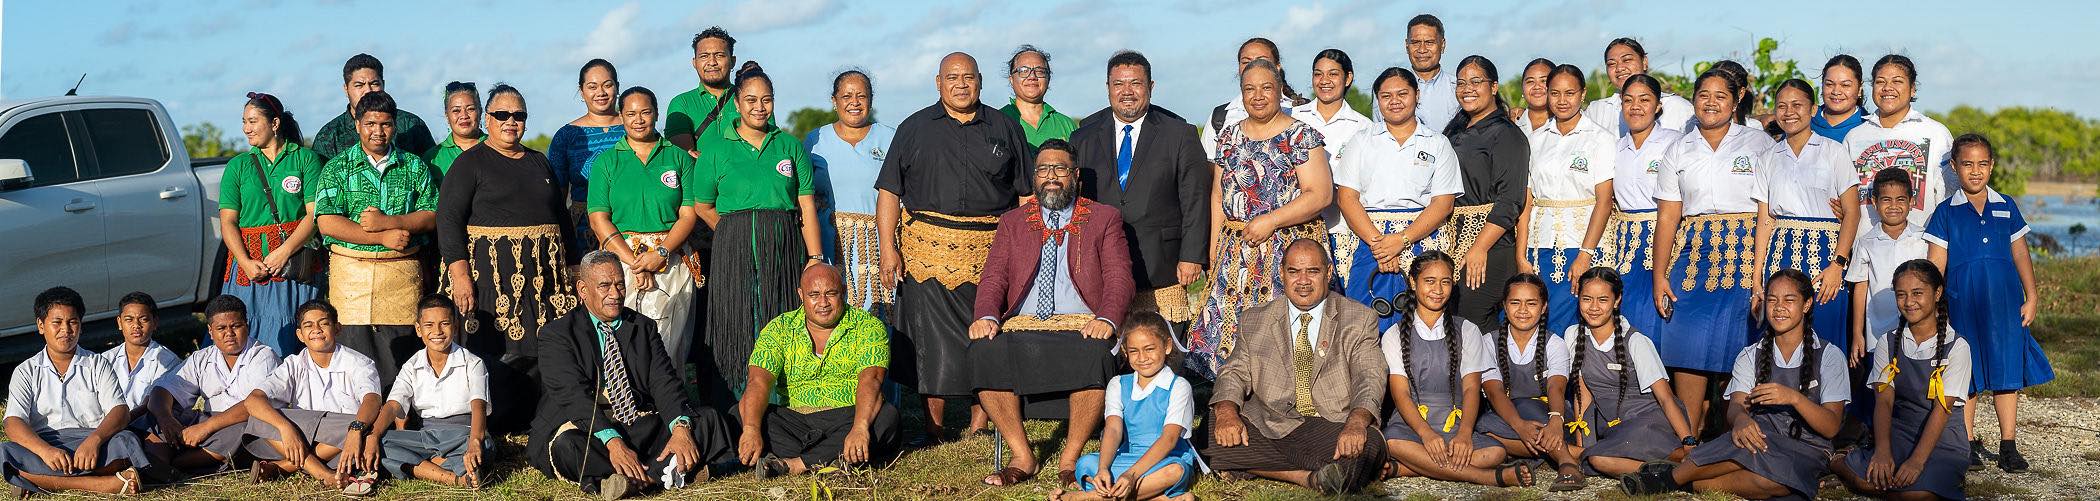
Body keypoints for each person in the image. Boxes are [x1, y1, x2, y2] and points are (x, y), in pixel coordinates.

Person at [873, 51, 1034, 439]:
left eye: (968, 77)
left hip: (989, 252)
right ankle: (935, 426)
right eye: (952, 77)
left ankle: (980, 423)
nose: (960, 84)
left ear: (980, 80)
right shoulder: (913, 128)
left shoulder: (1004, 127)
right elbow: (889, 193)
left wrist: (1028, 250)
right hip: (926, 252)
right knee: (931, 345)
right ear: (938, 83)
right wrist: (887, 249)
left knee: (985, 334)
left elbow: (1027, 197)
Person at [968, 140, 1134, 486]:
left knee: (1096, 354)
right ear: (1034, 178)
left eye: (1060, 169)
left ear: (1075, 176)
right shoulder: (1013, 221)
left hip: (1082, 326)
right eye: (1044, 169)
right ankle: (1022, 455)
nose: (1051, 177)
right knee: (983, 351)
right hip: (1023, 325)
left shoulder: (1103, 218)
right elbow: (994, 277)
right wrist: (986, 315)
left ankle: (1069, 458)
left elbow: (1120, 278)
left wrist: (1106, 319)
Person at [1623, 268, 1851, 498]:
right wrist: (1741, 420)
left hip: (1807, 448)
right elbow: (1736, 406)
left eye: (1789, 300)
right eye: (1772, 300)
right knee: (1756, 451)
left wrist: (1793, 398)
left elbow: (1831, 426)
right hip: (1759, 440)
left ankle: (1676, 480)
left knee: (1771, 480)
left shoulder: (1829, 355)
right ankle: (1674, 478)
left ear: (1807, 304)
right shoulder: (1751, 354)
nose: (1779, 307)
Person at [528, 251, 733, 500]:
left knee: (706, 419)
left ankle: (635, 481)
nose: (615, 294)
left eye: (619, 285)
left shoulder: (643, 327)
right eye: (604, 286)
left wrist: (679, 429)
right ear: (583, 289)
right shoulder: (557, 334)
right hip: (588, 427)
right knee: (568, 447)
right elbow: (573, 396)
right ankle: (664, 473)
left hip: (637, 422)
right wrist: (613, 443)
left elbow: (663, 381)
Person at [435, 84, 576, 432]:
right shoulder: (470, 164)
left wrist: (572, 266)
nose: (511, 122)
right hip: (490, 279)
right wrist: (459, 273)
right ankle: (494, 424)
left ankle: (537, 420)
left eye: (519, 115)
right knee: (499, 349)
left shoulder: (538, 161)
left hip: (543, 278)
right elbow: (448, 219)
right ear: (488, 119)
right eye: (502, 115)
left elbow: (561, 216)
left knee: (541, 345)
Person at [1204, 239, 1386, 494]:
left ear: (1328, 273)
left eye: (1312, 271)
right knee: (1214, 422)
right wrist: (1226, 413)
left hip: (1329, 423)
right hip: (1271, 420)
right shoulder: (1255, 319)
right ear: (1282, 273)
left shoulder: (1359, 318)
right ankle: (1308, 477)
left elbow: (1370, 375)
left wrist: (1356, 423)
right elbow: (1234, 372)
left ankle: (1243, 464)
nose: (1303, 281)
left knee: (1369, 445)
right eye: (1294, 271)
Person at [691, 62, 825, 408]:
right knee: (734, 322)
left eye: (766, 100)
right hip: (731, 246)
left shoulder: (790, 147)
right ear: (736, 103)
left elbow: (806, 206)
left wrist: (814, 258)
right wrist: (734, 233)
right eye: (751, 99)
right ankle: (734, 408)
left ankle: (783, 406)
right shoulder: (717, 150)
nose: (759, 107)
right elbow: (703, 206)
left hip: (783, 243)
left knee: (779, 315)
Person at [1188, 58, 1333, 377]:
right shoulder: (1228, 136)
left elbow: (1320, 194)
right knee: (1231, 337)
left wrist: (1272, 220)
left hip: (1288, 250)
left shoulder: (1302, 135)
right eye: (1249, 89)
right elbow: (1217, 195)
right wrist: (1212, 249)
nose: (1258, 95)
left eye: (1266, 88)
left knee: (1288, 335)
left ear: (1280, 89)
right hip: (1235, 251)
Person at [1652, 68, 1775, 434]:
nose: (1711, 102)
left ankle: (1735, 431)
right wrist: (1660, 276)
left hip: (1746, 251)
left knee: (1742, 337)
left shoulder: (1759, 145)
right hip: (1693, 251)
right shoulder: (1679, 148)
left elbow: (1771, 208)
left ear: (1737, 100)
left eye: (1721, 95)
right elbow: (1668, 215)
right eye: (1703, 94)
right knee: (1687, 335)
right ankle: (1689, 433)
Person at [1925, 134, 2051, 473]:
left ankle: (2008, 444)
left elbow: (2021, 253)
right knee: (1968, 374)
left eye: (1982, 164)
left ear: (1992, 166)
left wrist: (2032, 296)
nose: (1975, 171)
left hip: (2005, 305)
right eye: (1967, 164)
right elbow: (1936, 264)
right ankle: (1966, 445)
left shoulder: (2006, 205)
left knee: (2005, 372)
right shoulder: (1945, 212)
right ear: (1954, 167)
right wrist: (1935, 306)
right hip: (1962, 304)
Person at [1071, 50, 1211, 337]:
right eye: (1118, 84)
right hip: (1102, 262)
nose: (1126, 92)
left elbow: (1195, 198)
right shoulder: (1083, 135)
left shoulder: (1179, 133)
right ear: (1107, 87)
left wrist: (1192, 255)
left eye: (1135, 83)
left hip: (1163, 265)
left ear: (1151, 86)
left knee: (1163, 350)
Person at [313, 90, 440, 393]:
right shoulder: (337, 168)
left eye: (385, 124)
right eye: (370, 123)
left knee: (400, 355)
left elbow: (431, 214)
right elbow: (327, 220)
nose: (378, 132)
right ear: (357, 124)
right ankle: (359, 422)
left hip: (400, 275)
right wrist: (382, 236)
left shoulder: (413, 166)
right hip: (351, 277)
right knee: (354, 354)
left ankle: (399, 424)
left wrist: (392, 222)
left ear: (394, 126)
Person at [1378, 251, 1529, 487]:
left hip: (1455, 423)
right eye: (1429, 281)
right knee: (1391, 442)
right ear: (1412, 282)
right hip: (1412, 427)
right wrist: (1426, 433)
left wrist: (1465, 434)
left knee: (1495, 453)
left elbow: (1471, 389)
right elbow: (1401, 394)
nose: (1438, 290)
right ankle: (1489, 477)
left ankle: (1408, 467)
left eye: (1445, 282)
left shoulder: (1467, 330)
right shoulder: (1394, 334)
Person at [735, 265, 900, 477]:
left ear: (843, 291)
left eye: (831, 294)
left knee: (886, 417)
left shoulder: (868, 327)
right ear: (800, 295)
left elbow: (872, 379)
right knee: (743, 414)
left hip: (847, 417)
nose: (823, 303)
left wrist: (860, 427)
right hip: (794, 421)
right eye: (814, 295)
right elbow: (758, 381)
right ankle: (831, 458)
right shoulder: (779, 328)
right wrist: (750, 429)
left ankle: (794, 465)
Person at [1830, 259, 1971, 500]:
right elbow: (1883, 402)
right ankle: (1838, 462)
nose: (1909, 302)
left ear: (1937, 293)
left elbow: (1942, 410)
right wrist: (1883, 451)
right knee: (1869, 482)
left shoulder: (1957, 346)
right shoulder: (1888, 342)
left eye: (1918, 293)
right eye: (1901, 295)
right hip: (1900, 433)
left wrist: (1916, 461)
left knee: (1916, 494)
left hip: (1943, 440)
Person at [1333, 67, 1460, 333]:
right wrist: (1381, 245)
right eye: (1386, 95)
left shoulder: (1437, 143)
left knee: (1420, 319)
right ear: (1377, 100)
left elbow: (1443, 203)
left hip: (1420, 238)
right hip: (1368, 238)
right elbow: (1347, 199)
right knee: (1362, 319)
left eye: (1402, 93)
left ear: (1417, 95)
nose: (1394, 101)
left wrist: (1401, 240)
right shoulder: (1361, 141)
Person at [586, 86, 702, 372]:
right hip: (621, 265)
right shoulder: (607, 162)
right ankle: (629, 411)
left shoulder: (678, 158)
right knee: (623, 345)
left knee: (668, 345)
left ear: (656, 113)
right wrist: (636, 263)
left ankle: (670, 411)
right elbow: (598, 218)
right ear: (621, 116)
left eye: (646, 112)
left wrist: (660, 253)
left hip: (671, 261)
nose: (639, 120)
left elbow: (688, 215)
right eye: (631, 113)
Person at [1, 287, 148, 496]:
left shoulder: (98, 364)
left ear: (81, 326)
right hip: (45, 445)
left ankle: (35, 480)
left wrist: (94, 440)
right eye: (57, 322)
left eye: (72, 322)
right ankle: (105, 484)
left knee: (126, 441)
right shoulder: (26, 371)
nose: (66, 330)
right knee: (5, 452)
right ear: (41, 326)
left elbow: (120, 411)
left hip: (91, 445)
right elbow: (13, 421)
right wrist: (45, 451)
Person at [1754, 79, 1860, 352]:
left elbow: (1852, 212)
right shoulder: (1768, 156)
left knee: (1825, 337)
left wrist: (1838, 264)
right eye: (1782, 106)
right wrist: (1756, 278)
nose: (1789, 112)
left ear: (1813, 109)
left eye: (1797, 105)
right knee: (1780, 336)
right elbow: (1765, 220)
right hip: (1781, 253)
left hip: (1825, 255)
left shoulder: (1833, 152)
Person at [220, 91, 326, 356]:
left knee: (294, 334)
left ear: (275, 123)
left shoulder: (305, 159)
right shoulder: (238, 166)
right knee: (243, 334)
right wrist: (245, 262)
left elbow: (313, 215)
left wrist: (283, 252)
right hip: (249, 268)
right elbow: (228, 222)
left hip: (295, 264)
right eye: (244, 121)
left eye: (253, 121)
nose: (246, 128)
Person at [1563, 267, 1696, 476]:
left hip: (1650, 422)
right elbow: (1583, 396)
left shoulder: (1635, 341)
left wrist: (1688, 441)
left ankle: (1682, 459)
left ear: (1617, 301)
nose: (1594, 307)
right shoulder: (1573, 335)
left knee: (1600, 455)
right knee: (1595, 457)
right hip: (1616, 427)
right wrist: (1583, 444)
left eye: (1603, 300)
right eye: (1587, 299)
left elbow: (1666, 398)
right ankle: (1670, 473)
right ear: (1578, 299)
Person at [242, 300, 385, 495]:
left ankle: (284, 467)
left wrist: (355, 430)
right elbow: (253, 400)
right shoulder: (293, 363)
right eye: (308, 325)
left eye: (323, 323)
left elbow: (372, 400)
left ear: (337, 328)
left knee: (368, 424)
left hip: (343, 441)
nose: (316, 330)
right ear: (300, 335)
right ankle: (324, 474)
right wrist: (286, 428)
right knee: (259, 416)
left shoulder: (359, 362)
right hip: (301, 436)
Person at [1054, 312, 1200, 501]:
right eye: (1134, 351)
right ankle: (1156, 498)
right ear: (1125, 351)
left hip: (1165, 458)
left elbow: (1169, 439)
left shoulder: (1178, 386)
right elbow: (1113, 429)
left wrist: (1131, 475)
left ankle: (1094, 497)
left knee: (1175, 471)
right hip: (1128, 456)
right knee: (1085, 464)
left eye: (1149, 349)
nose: (1142, 357)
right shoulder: (1118, 384)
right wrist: (1103, 468)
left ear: (1167, 346)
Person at [1518, 64, 1617, 335]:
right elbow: (1527, 200)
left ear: (1583, 94)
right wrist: (1521, 252)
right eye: (1555, 93)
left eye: (1570, 93)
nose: (1562, 101)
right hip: (1540, 245)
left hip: (1583, 242)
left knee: (1578, 320)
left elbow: (1604, 200)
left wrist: (1585, 254)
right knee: (1539, 320)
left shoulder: (1600, 139)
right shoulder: (1535, 140)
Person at [1441, 55, 1530, 327]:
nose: (1468, 88)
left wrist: (1479, 247)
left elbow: (1511, 201)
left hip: (1490, 243)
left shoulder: (1507, 135)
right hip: (1453, 238)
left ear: (1493, 87)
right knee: (1456, 323)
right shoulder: (1454, 129)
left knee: (1472, 322)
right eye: (1461, 82)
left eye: (1476, 81)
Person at [143, 295, 278, 473]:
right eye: (221, 328)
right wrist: (166, 419)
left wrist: (205, 428)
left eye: (236, 326)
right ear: (210, 331)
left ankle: (175, 465)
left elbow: (252, 406)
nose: (229, 333)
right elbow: (163, 389)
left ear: (247, 325)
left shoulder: (263, 356)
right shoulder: (201, 357)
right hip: (206, 420)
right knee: (157, 414)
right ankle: (156, 463)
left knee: (243, 431)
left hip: (242, 423)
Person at [1475, 274, 1583, 491]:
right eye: (1515, 302)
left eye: (1531, 303)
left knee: (1525, 404)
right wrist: (1520, 426)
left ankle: (1566, 462)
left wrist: (1554, 421)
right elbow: (1495, 392)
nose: (1523, 309)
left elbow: (1557, 387)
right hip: (1509, 420)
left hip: (1550, 416)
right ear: (1504, 306)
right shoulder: (1488, 342)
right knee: (1481, 429)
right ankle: (1575, 454)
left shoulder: (1555, 343)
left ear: (1543, 307)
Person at [373, 295, 491, 489]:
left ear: (455, 326)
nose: (437, 331)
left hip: (462, 434)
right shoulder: (411, 366)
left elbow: (478, 406)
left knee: (484, 447)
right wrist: (373, 435)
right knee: (383, 442)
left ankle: (425, 464)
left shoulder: (473, 363)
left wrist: (475, 442)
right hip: (425, 436)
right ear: (419, 330)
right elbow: (394, 404)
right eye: (429, 325)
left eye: (444, 323)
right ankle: (454, 476)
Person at [806, 70, 897, 314]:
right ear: (834, 101)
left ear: (871, 100)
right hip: (830, 244)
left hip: (878, 245)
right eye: (846, 96)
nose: (854, 102)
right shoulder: (815, 140)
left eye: (861, 96)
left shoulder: (890, 138)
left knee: (880, 313)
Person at [1600, 74, 1680, 342]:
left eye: (1644, 100)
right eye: (1628, 100)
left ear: (1658, 106)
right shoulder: (1615, 147)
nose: (1636, 107)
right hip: (1624, 244)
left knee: (1660, 319)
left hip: (1664, 238)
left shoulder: (1674, 143)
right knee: (1627, 318)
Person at [1842, 55, 1953, 228]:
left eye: (1897, 81)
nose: (1887, 88)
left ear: (1913, 89)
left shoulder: (1936, 133)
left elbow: (1949, 197)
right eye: (1880, 82)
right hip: (1863, 249)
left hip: (1921, 249)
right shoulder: (1854, 137)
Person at [1847, 168, 1928, 364]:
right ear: (1874, 202)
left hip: (1920, 332)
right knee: (1883, 388)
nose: (1893, 206)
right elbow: (1860, 287)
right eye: (1886, 200)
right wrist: (1858, 334)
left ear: (1911, 202)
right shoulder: (1866, 242)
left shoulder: (1924, 238)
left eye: (1900, 200)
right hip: (1878, 334)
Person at [1295, 49, 1374, 244]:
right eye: (1318, 74)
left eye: (1333, 74)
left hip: (1342, 231)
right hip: (1297, 230)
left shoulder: (1363, 127)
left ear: (1348, 78)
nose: (1324, 81)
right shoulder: (1294, 117)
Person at [551, 60, 629, 254]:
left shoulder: (635, 126)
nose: (600, 92)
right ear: (582, 90)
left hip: (632, 224)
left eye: (607, 85)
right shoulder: (566, 136)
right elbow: (556, 197)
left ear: (617, 87)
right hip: (583, 233)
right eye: (592, 86)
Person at [311, 54, 435, 161]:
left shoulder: (412, 125)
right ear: (346, 89)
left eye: (374, 84)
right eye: (359, 85)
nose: (368, 90)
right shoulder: (329, 136)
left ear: (383, 84)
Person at [1200, 38, 1306, 160]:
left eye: (1262, 61)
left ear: (1277, 67)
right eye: (1246, 62)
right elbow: (1210, 167)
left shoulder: (1299, 111)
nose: (1253, 66)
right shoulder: (1220, 117)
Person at [1582, 38, 1695, 137]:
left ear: (1644, 62)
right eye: (1611, 64)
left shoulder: (1677, 107)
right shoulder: (1597, 110)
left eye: (1627, 60)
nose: (1619, 68)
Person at [100, 292, 182, 426]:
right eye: (129, 319)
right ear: (119, 323)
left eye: (143, 319)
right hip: (104, 427)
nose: (136, 325)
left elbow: (150, 404)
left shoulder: (167, 362)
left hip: (145, 428)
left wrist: (119, 424)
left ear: (155, 322)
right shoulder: (105, 359)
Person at [667, 27, 741, 154]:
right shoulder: (681, 103)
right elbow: (684, 155)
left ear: (733, 61)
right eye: (704, 56)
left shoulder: (750, 99)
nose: (712, 62)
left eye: (719, 55)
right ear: (694, 63)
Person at [1001, 45, 1078, 147]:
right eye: (1024, 71)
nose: (1032, 77)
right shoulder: (998, 121)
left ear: (1048, 79)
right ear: (1011, 79)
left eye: (1039, 71)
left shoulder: (1066, 125)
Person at [1403, 15, 1459, 129]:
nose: (1422, 49)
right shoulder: (1389, 91)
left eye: (1429, 42)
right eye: (1415, 42)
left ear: (1442, 45)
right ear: (1406, 46)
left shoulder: (1459, 89)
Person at [423, 82, 485, 180]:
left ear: (480, 112)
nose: (464, 116)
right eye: (456, 110)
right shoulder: (433, 158)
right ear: (447, 116)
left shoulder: (498, 147)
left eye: (470, 109)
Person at [1812, 55, 1869, 142]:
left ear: (1859, 88)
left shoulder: (1869, 126)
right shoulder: (1804, 122)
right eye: (1829, 84)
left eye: (1845, 85)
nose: (1836, 91)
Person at [1511, 58, 1555, 134]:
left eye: (1544, 81)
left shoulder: (1571, 124)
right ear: (1522, 88)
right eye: (1530, 81)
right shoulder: (1510, 122)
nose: (1537, 86)